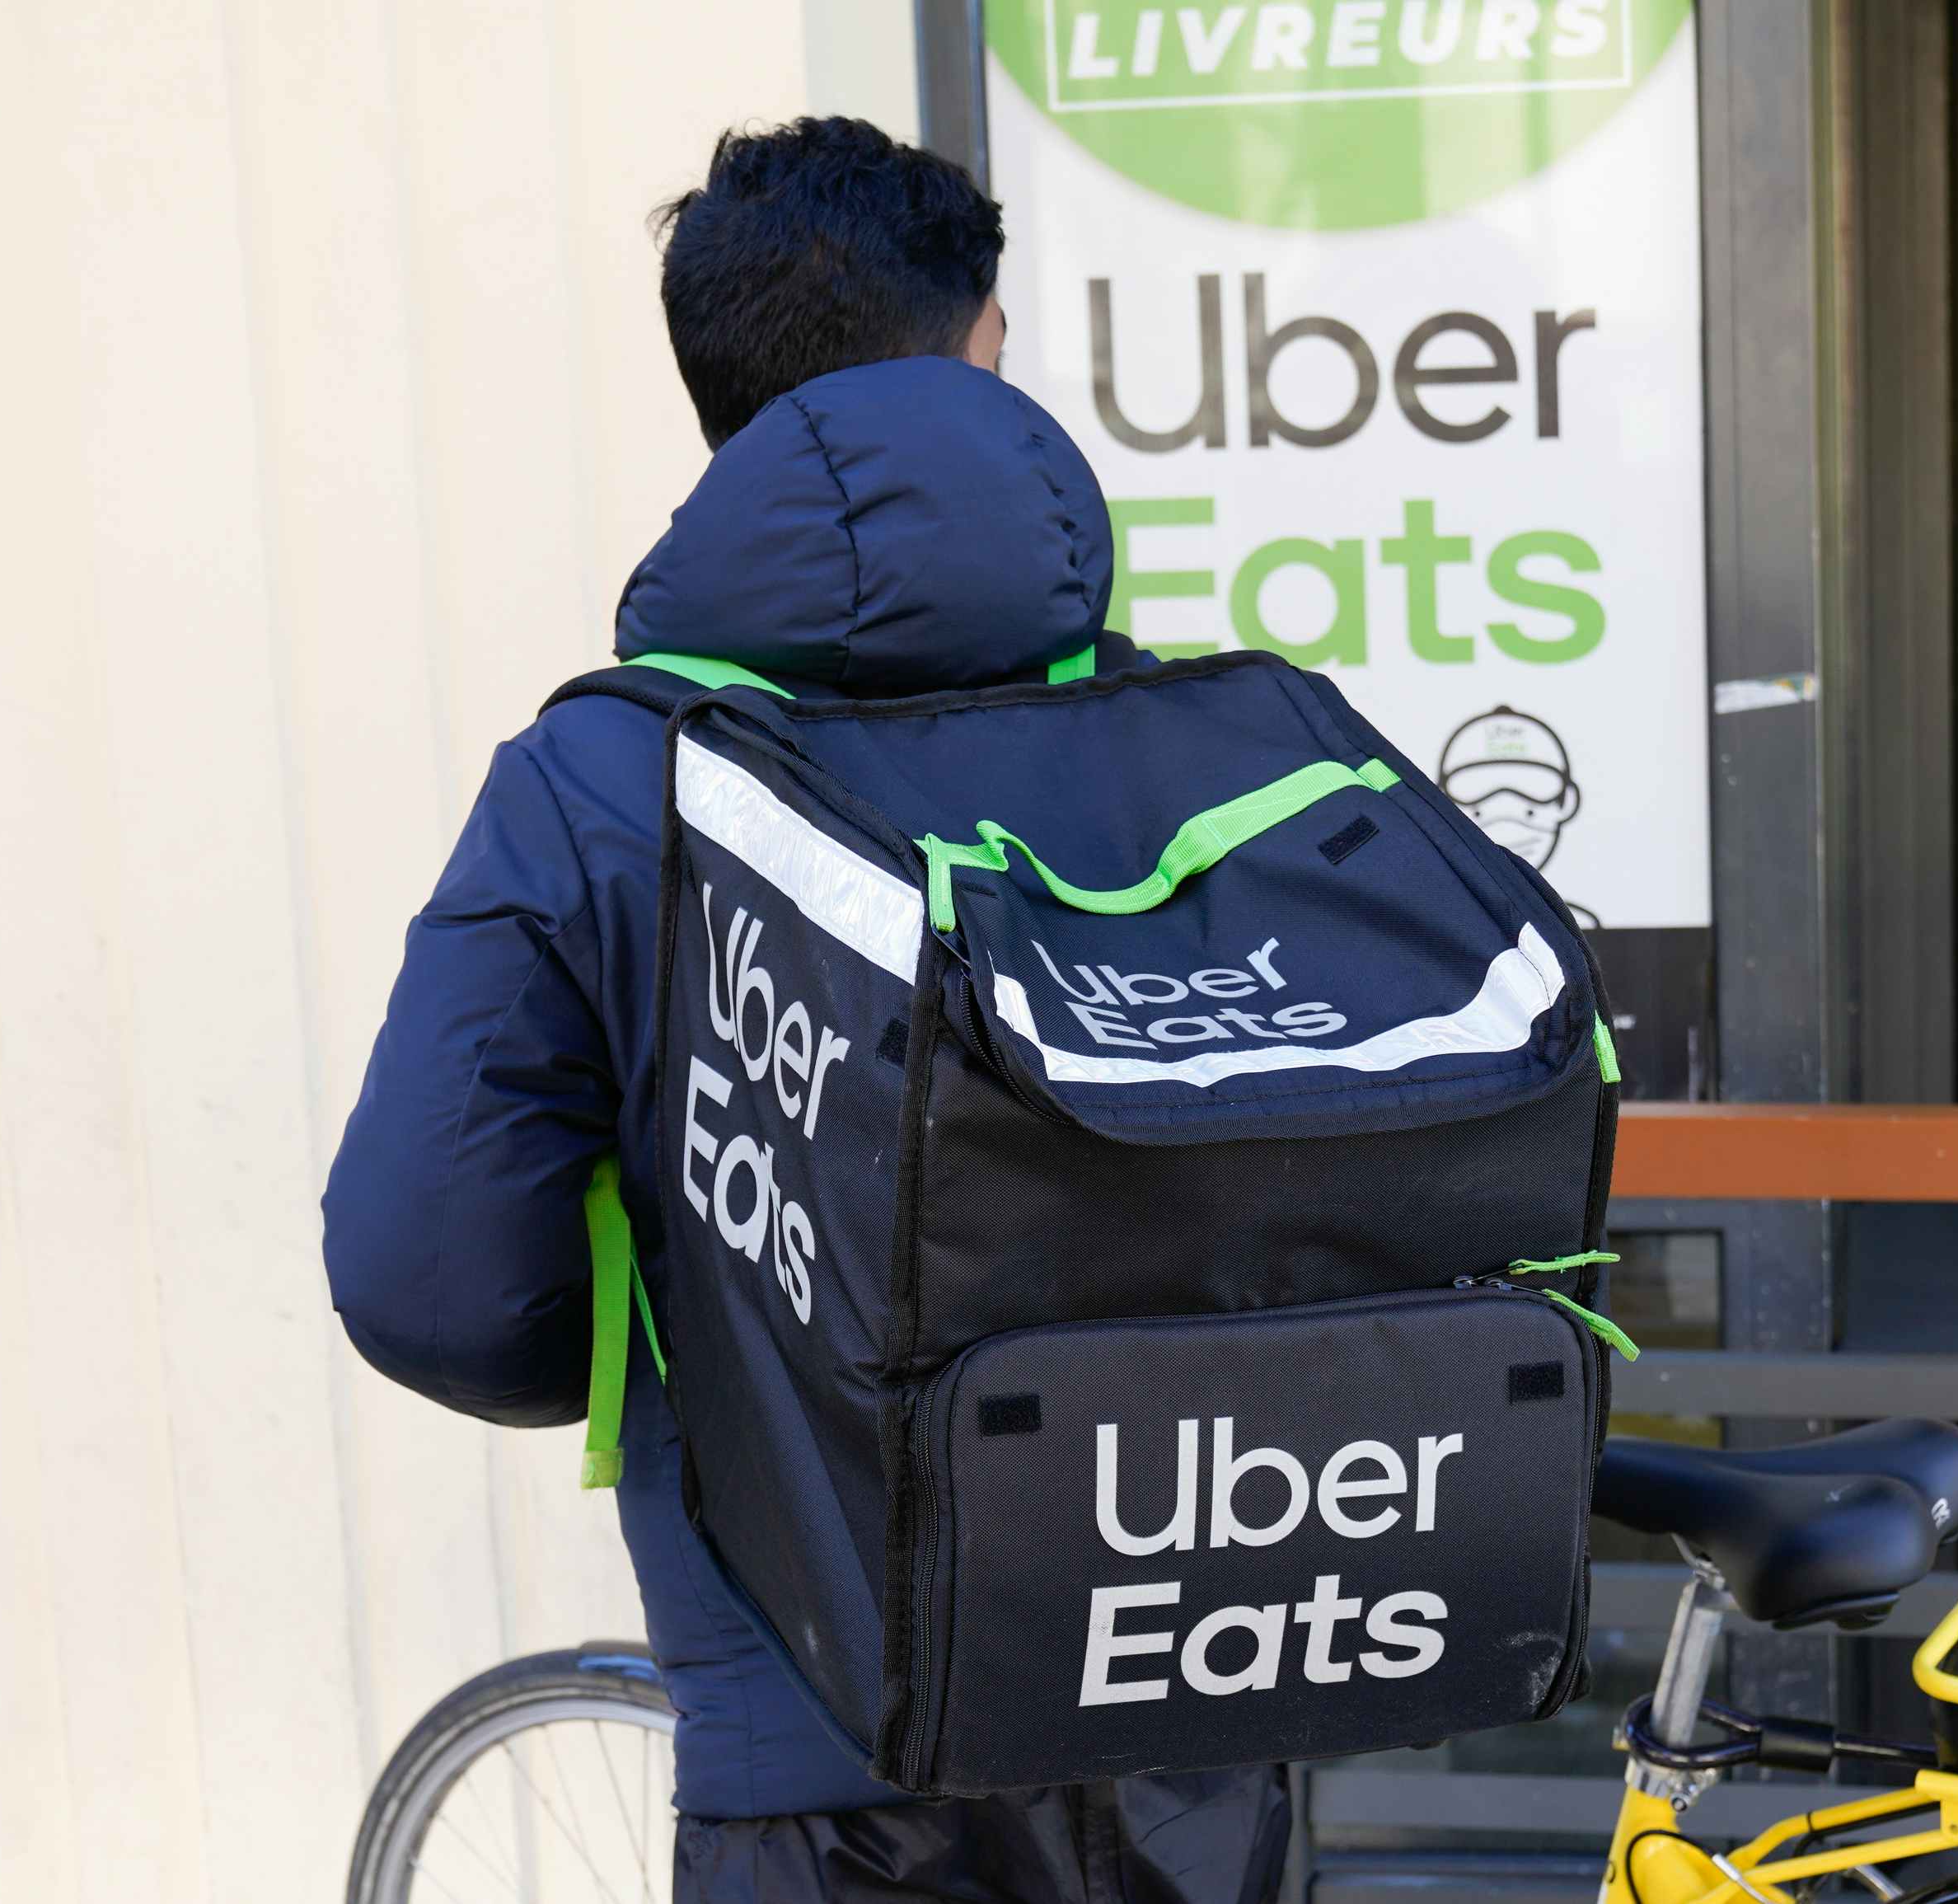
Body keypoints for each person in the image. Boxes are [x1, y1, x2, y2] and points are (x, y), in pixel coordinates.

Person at [323, 118, 1290, 1903]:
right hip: (1193, 1685)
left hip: (812, 1738)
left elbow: (423, 1276)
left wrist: (694, 1341)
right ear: (982, 351)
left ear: (716, 406)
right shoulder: (1209, 749)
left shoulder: (601, 780)